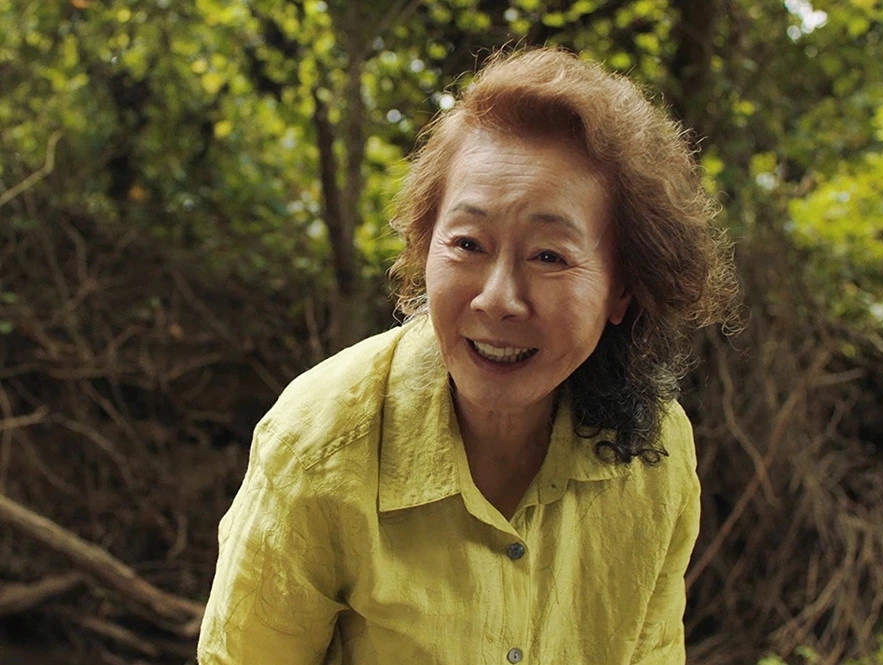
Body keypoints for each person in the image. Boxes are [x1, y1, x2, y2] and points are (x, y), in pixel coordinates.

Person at [197, 46, 738, 665]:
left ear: (622, 289)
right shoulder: (318, 446)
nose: (497, 299)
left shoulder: (655, 452)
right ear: (424, 248)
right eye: (468, 243)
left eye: (549, 256)